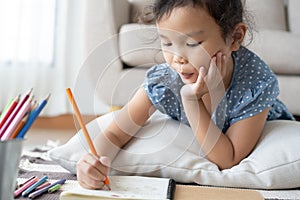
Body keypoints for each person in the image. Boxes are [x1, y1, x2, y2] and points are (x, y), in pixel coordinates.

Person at [76, 0, 295, 189]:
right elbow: (116, 133)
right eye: (167, 43)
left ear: (235, 38)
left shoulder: (255, 81)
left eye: (192, 43)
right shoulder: (165, 79)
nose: (177, 58)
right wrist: (92, 161)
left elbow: (228, 159)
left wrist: (191, 100)